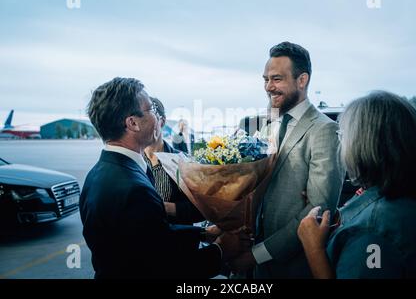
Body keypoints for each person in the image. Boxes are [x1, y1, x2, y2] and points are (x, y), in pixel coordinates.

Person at [79, 77, 247, 279]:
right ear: (132, 123)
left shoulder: (99, 173)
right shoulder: (134, 190)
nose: (156, 117)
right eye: (151, 110)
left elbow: (148, 237)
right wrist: (221, 250)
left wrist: (203, 233)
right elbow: (163, 268)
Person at [298, 91, 416, 278]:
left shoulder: (371, 233)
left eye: (343, 135)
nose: (342, 143)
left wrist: (314, 250)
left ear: (363, 145)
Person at [231, 42, 345, 278]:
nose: (268, 87)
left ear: (302, 80)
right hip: (248, 264)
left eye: (277, 79)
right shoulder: (264, 124)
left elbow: (317, 210)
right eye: (265, 79)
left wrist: (257, 255)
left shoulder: (325, 130)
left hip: (289, 267)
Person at [143, 97, 204, 224]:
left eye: (147, 119)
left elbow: (201, 209)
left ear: (162, 121)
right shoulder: (132, 161)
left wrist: (167, 208)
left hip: (179, 239)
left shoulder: (181, 160)